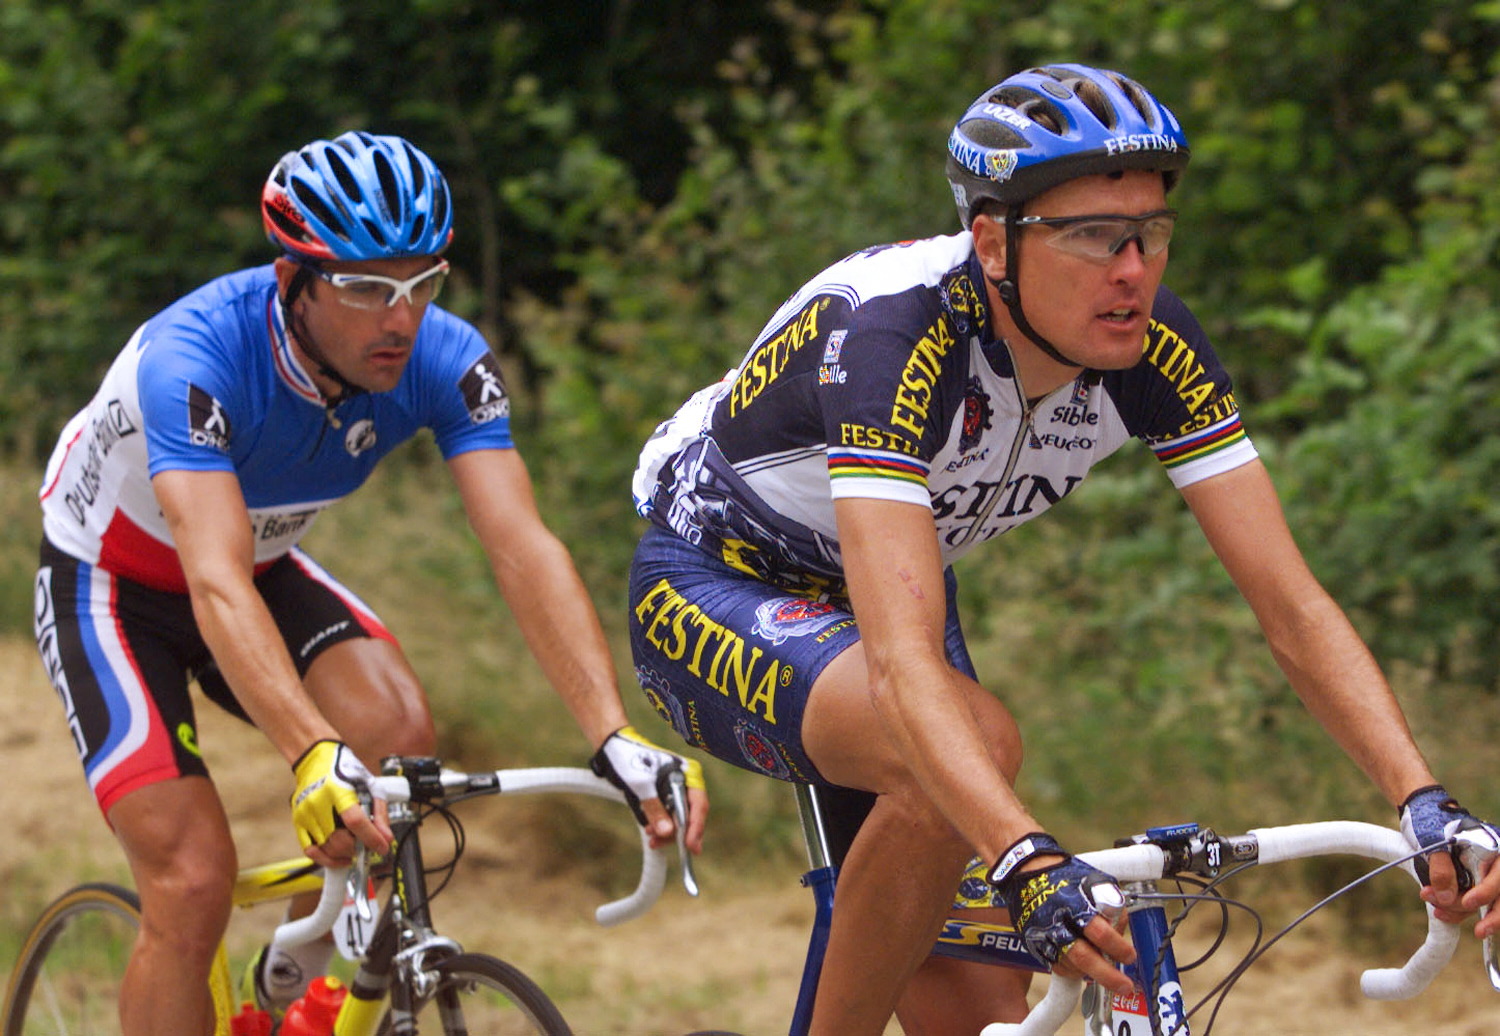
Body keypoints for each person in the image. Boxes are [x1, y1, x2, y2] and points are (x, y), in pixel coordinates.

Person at [626, 64, 1500, 1034]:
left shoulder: (1153, 344)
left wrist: (1423, 799)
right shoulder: (894, 333)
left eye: (1151, 233)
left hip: (893, 595)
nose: (1132, 269)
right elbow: (903, 663)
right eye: (1091, 236)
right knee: (966, 752)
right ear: (994, 239)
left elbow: (1291, 605)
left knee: (982, 1012)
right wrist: (1028, 858)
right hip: (715, 579)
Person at [32, 130, 707, 1036]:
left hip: (259, 565)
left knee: (397, 740)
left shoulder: (442, 358)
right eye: (365, 287)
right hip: (113, 587)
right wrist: (310, 750)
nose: (401, 317)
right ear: (292, 284)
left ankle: (308, 989)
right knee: (190, 881)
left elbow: (522, 547)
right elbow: (214, 579)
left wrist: (612, 733)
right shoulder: (194, 359)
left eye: (424, 282)